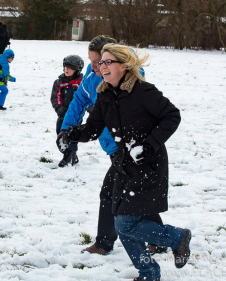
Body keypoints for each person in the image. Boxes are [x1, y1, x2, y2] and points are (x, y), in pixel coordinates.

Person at [58, 44, 192, 281]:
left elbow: (172, 115)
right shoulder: (105, 95)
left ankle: (177, 237)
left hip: (147, 164)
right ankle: (148, 272)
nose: (102, 66)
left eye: (108, 62)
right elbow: (93, 127)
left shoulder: (143, 91)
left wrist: (149, 145)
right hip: (123, 164)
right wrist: (70, 134)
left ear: (123, 66)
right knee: (121, 218)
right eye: (101, 63)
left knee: (124, 223)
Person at [60, 35, 167, 256]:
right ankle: (159, 238)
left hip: (131, 149)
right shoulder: (92, 77)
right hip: (113, 146)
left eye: (97, 61)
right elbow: (79, 100)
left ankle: (105, 243)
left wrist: (148, 144)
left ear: (113, 61)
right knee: (133, 193)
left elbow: (168, 115)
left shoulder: (130, 82)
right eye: (90, 61)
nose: (91, 66)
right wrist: (67, 129)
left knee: (114, 193)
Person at [50, 55, 84, 167]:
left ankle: (67, 157)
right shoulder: (59, 82)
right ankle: (71, 154)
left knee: (73, 135)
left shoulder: (81, 83)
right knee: (60, 134)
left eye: (70, 67)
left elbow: (84, 98)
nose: (66, 69)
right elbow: (55, 97)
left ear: (77, 69)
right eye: (65, 67)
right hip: (62, 115)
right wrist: (58, 108)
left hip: (75, 116)